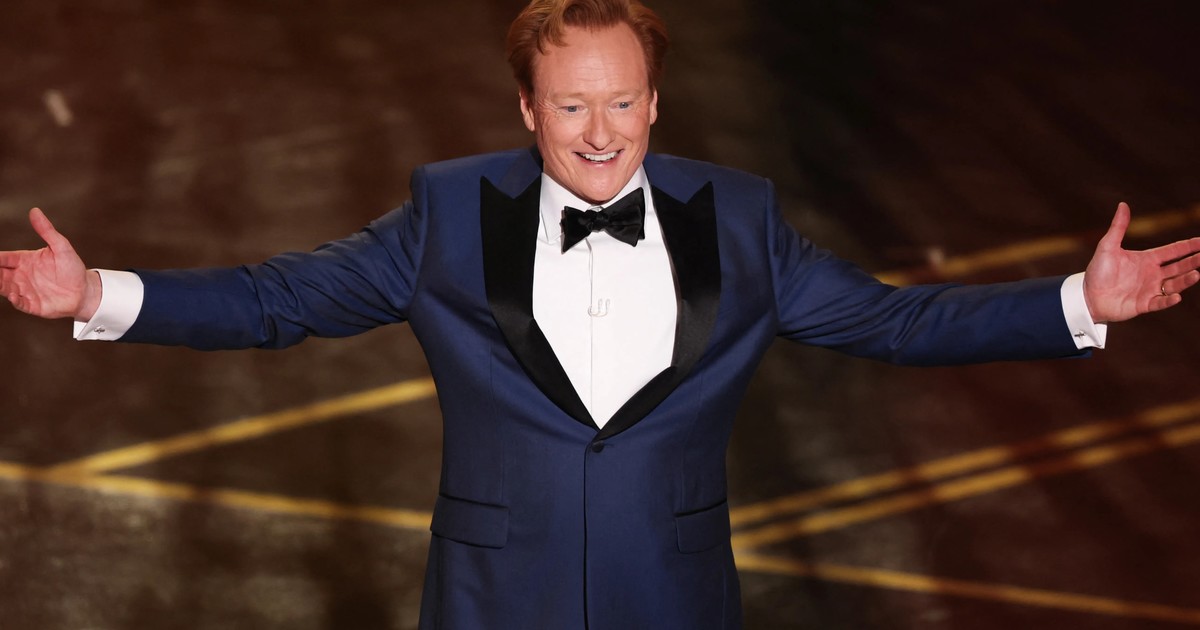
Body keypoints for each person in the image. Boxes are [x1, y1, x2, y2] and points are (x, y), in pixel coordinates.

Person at [3, 0, 1199, 628]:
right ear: (527, 108)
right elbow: (280, 300)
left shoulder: (741, 218)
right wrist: (100, 293)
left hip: (669, 597)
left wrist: (1074, 302)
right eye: (571, 105)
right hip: (495, 605)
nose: (599, 132)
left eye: (622, 101)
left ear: (655, 100)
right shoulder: (446, 213)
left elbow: (894, 324)